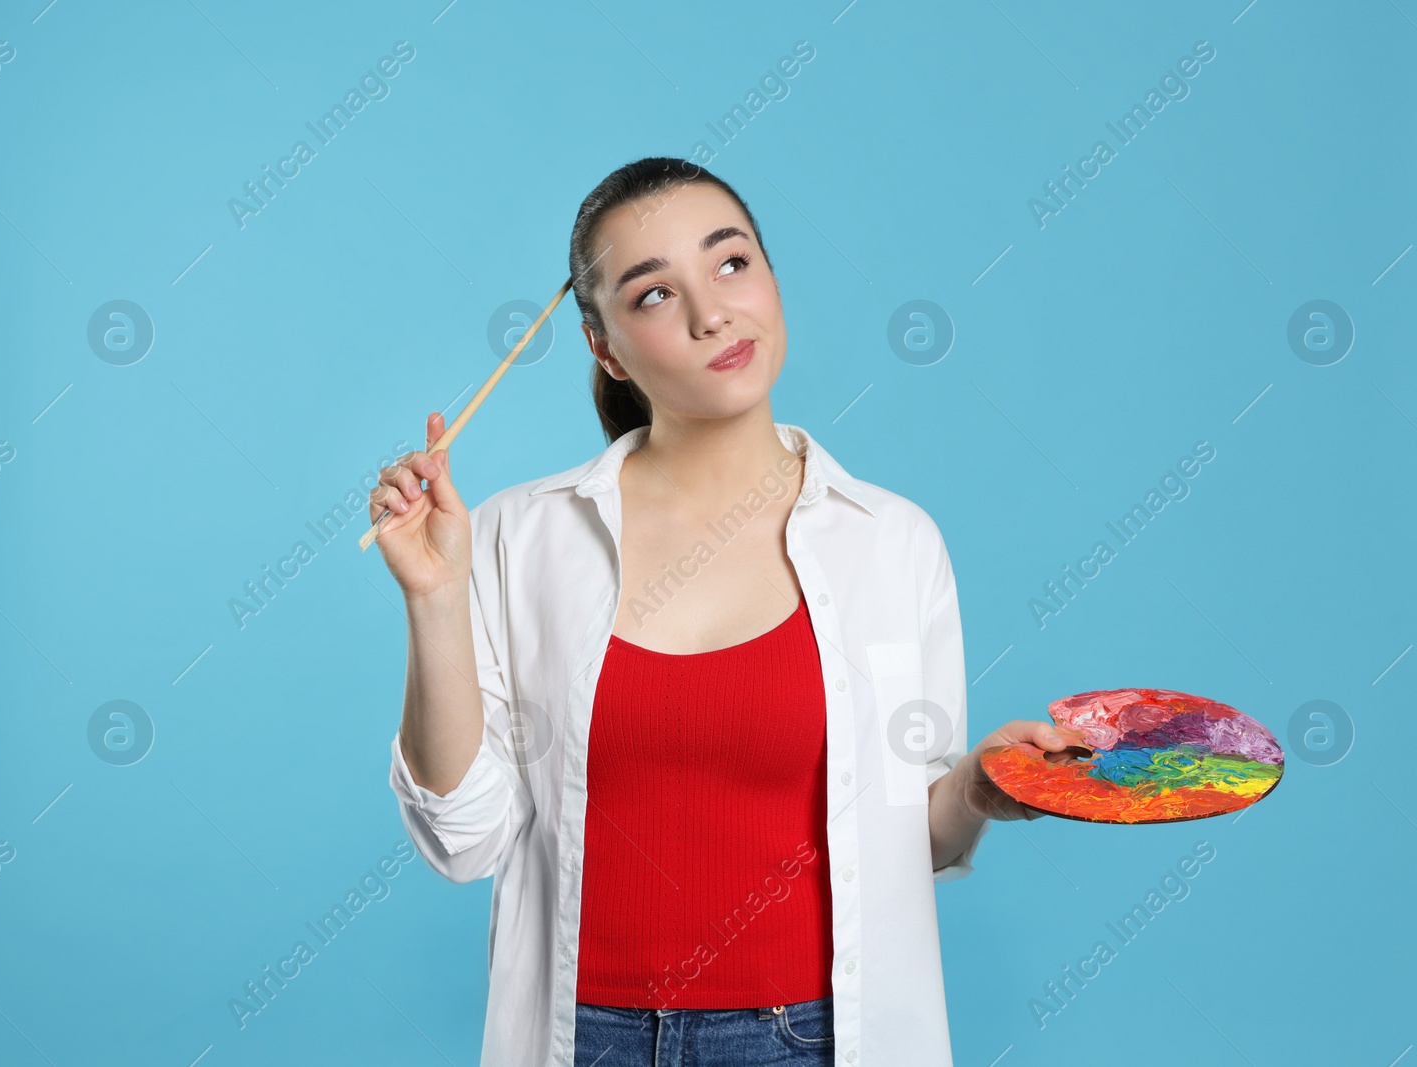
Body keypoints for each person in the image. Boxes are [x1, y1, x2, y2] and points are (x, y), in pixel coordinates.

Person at [371, 157, 1085, 1067]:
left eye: (732, 263)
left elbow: (911, 838)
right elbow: (462, 841)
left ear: (773, 278)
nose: (712, 313)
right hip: (581, 1038)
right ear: (603, 346)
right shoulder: (518, 535)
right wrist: (433, 599)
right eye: (654, 294)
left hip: (811, 1038)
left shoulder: (893, 542)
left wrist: (981, 784)